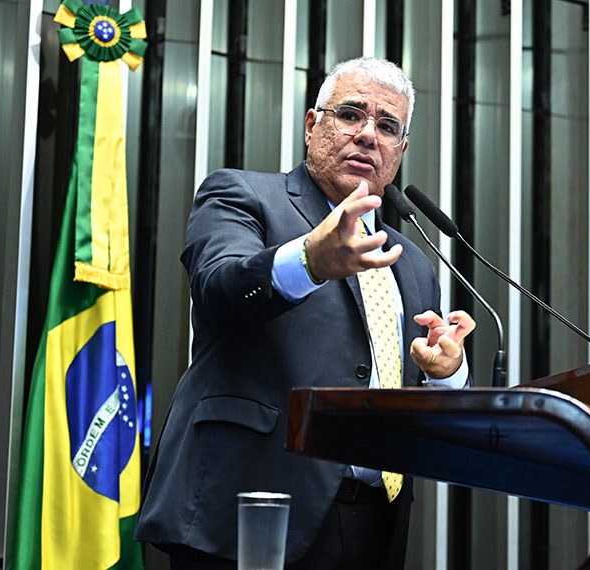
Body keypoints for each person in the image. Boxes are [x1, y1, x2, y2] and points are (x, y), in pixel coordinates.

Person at [134, 57, 475, 570]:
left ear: (400, 152)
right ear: (313, 125)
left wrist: (448, 374)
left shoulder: (414, 263)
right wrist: (309, 262)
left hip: (373, 524)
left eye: (387, 127)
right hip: (250, 506)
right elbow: (218, 289)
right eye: (350, 114)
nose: (367, 135)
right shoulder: (243, 196)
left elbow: (402, 391)